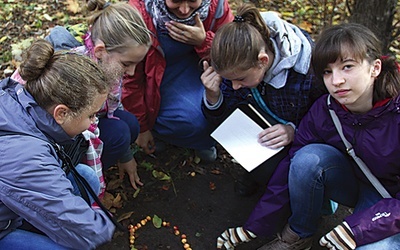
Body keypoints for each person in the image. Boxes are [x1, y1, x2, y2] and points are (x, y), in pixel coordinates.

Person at [256, 23, 400, 249]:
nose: (336, 81)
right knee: (306, 159)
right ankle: (299, 234)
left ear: (375, 68)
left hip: (392, 200)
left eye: (348, 67)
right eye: (327, 71)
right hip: (354, 180)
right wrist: (256, 225)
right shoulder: (326, 109)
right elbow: (293, 161)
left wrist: (358, 229)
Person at [201, 4, 326, 248]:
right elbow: (224, 118)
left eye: (240, 80)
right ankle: (259, 175)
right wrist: (213, 96)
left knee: (282, 173)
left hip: (302, 136)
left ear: (263, 60)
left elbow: (327, 117)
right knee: (259, 163)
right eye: (230, 80)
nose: (235, 86)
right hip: (264, 130)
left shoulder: (308, 69)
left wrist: (294, 130)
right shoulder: (239, 60)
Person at [13, 0, 153, 191]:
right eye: (127, 64)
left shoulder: (104, 60)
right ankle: (74, 182)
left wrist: (125, 155)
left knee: (128, 123)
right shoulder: (73, 79)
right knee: (119, 134)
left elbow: (113, 106)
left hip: (66, 127)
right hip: (43, 142)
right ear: (100, 51)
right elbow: (62, 129)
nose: (131, 72)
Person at [0, 39, 115, 249]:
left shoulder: (17, 100)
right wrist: (106, 227)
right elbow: (84, 230)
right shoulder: (25, 155)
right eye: (90, 115)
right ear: (61, 113)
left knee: (86, 177)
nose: (94, 121)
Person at [122, 0, 234, 162]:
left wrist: (204, 41)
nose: (184, 10)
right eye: (175, 1)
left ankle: (203, 139)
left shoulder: (217, 7)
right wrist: (142, 127)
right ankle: (172, 135)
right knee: (190, 120)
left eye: (193, 1)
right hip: (157, 79)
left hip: (203, 71)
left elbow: (234, 52)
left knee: (227, 105)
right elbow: (130, 79)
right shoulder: (138, 15)